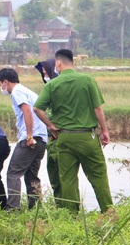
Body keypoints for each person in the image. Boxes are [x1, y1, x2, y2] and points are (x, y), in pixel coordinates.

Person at [33, 49, 113, 214]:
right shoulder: (87, 80)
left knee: (67, 179)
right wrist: (104, 130)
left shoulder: (52, 84)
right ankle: (109, 212)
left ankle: (71, 216)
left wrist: (50, 125)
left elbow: (37, 109)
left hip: (65, 138)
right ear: (73, 63)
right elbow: (97, 108)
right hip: (87, 137)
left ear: (58, 63)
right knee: (99, 177)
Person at [0, 68, 48, 211]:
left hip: (30, 138)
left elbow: (27, 111)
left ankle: (13, 208)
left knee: (13, 173)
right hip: (42, 139)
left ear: (6, 81)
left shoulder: (17, 92)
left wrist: (29, 136)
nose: (1, 88)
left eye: (0, 85)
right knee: (31, 175)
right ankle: (36, 208)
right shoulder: (28, 91)